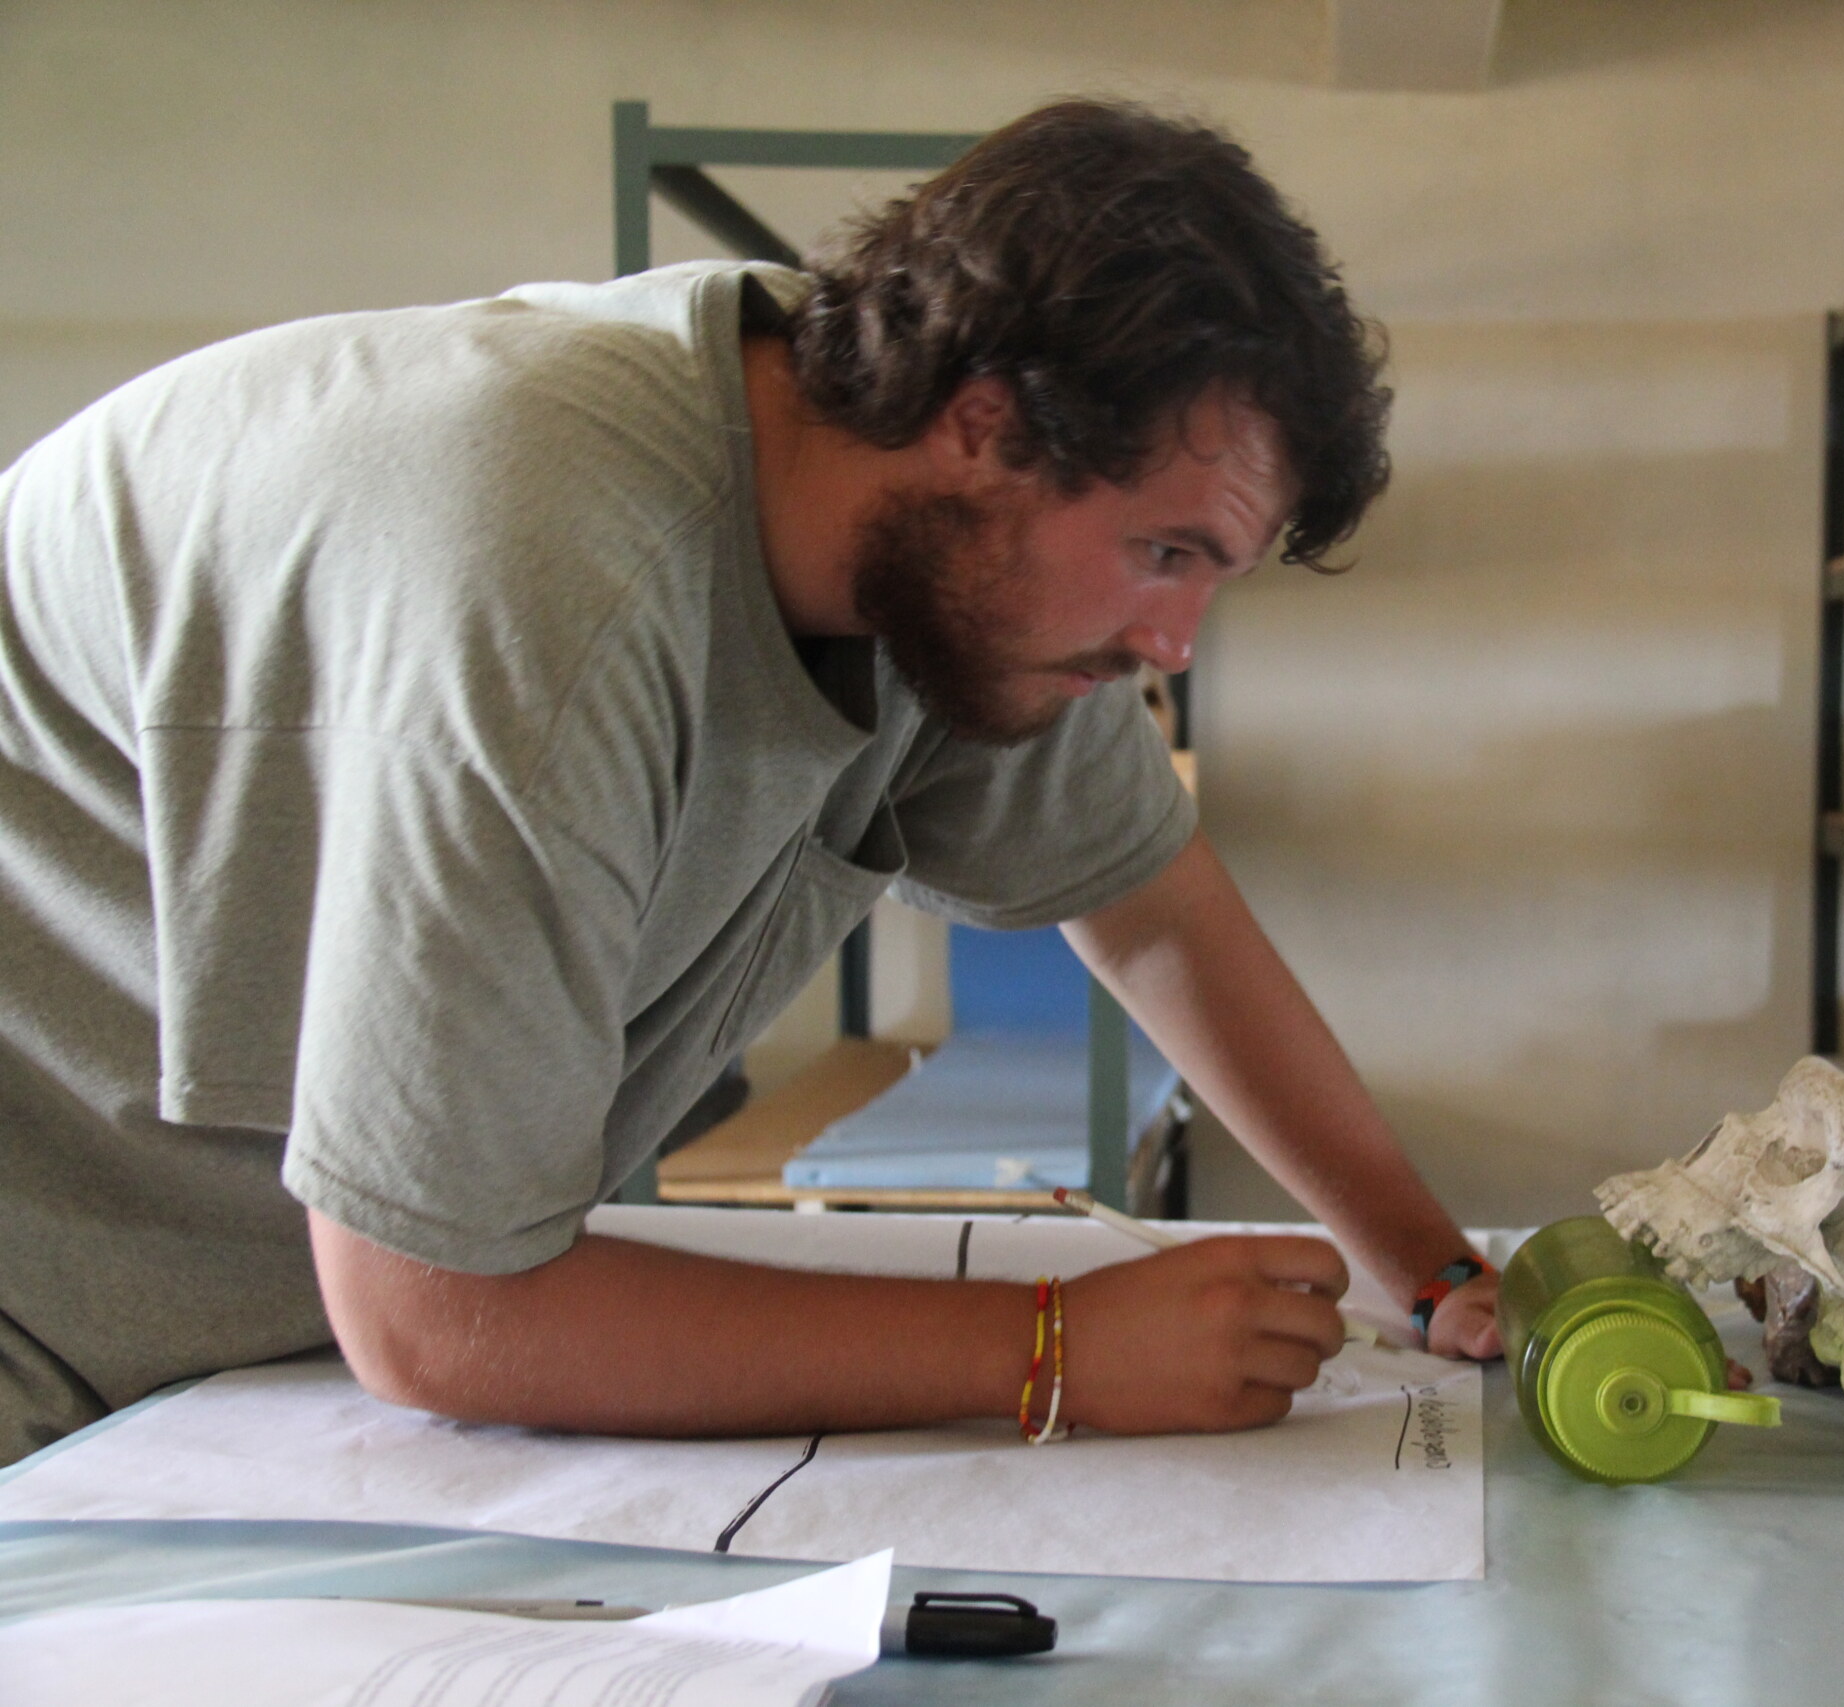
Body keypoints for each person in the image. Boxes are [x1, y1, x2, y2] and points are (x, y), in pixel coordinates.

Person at [0, 98, 1503, 1465]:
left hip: (243, 1348)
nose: (1171, 642)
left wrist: (1431, 1272)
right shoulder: (553, 579)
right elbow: (435, 1316)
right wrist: (1057, 1349)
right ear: (987, 424)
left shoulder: (919, 525)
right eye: (1166, 552)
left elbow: (1151, 901)